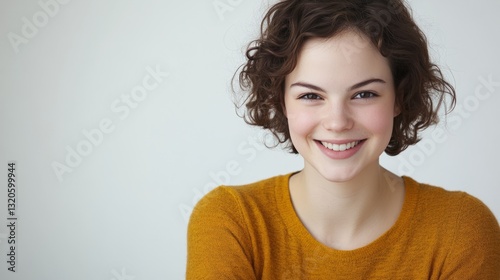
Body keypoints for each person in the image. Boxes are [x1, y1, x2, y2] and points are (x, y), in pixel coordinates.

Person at [186, 0, 500, 278]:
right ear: (281, 101)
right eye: (310, 95)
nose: (337, 122)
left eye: (364, 94)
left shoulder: (462, 228)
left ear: (398, 98)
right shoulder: (231, 220)